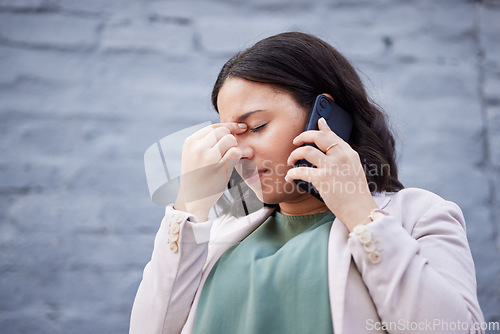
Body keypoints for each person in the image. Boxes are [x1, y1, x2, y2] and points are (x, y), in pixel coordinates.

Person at [130, 32, 484, 334]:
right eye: (231, 135)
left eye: (256, 127)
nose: (240, 151)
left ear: (323, 117)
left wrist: (360, 213)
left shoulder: (419, 217)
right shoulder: (217, 230)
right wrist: (190, 206)